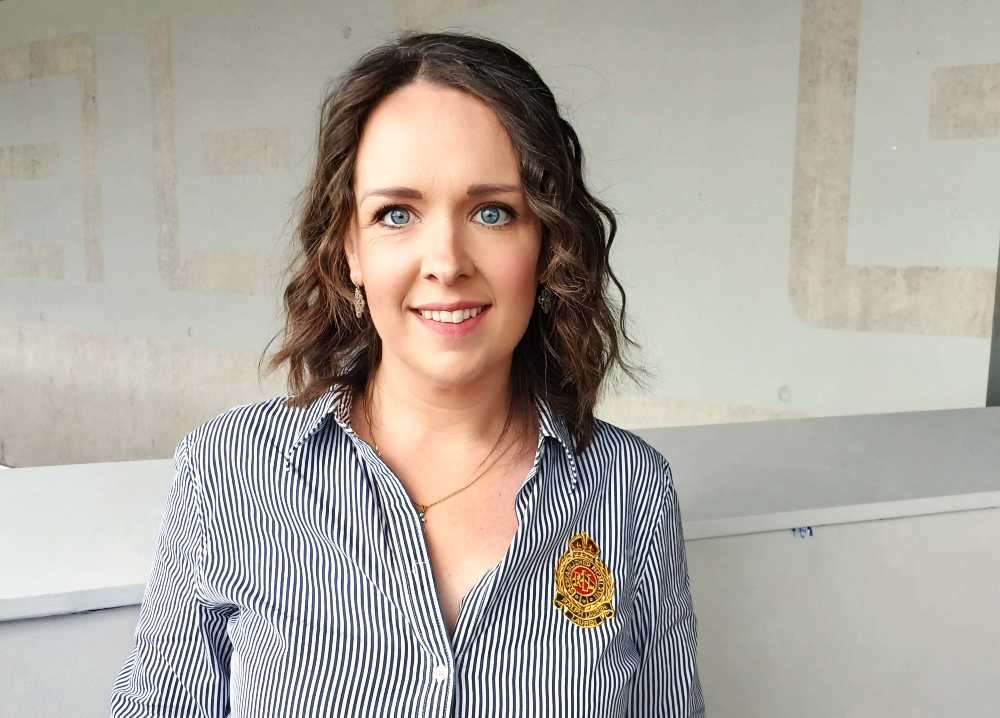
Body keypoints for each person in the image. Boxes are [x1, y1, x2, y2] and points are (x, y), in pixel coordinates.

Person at [109, 30, 704, 717]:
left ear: (546, 243)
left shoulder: (632, 489)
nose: (446, 261)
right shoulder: (227, 472)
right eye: (397, 214)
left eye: (492, 212)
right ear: (349, 251)